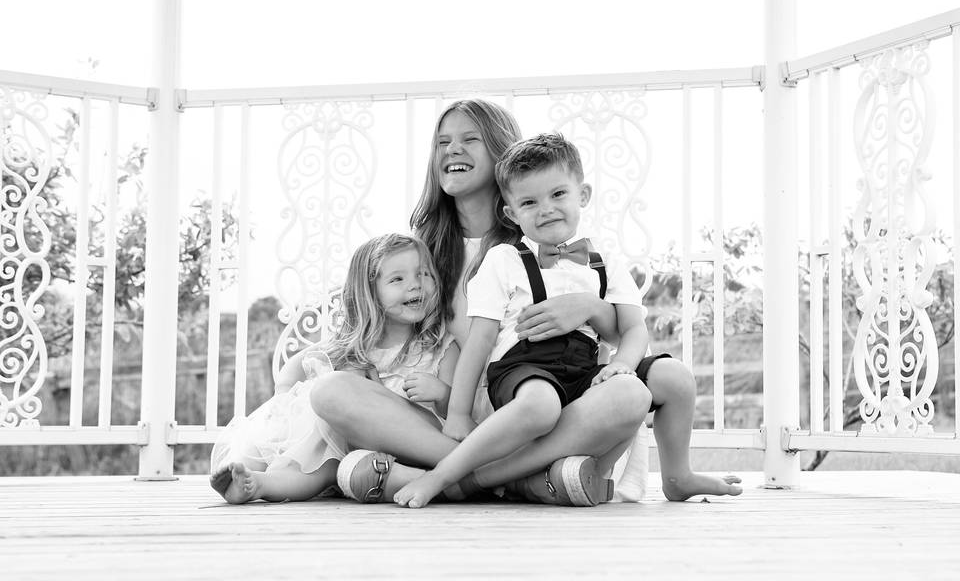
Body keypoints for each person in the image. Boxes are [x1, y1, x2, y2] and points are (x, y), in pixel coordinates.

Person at [393, 133, 743, 508]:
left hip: (583, 369)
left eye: (558, 195)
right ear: (511, 213)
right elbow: (480, 341)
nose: (546, 209)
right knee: (542, 404)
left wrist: (623, 365)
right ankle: (445, 475)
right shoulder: (504, 260)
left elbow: (632, 327)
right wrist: (459, 413)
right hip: (523, 368)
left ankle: (678, 476)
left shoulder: (602, 259)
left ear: (583, 195)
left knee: (673, 378)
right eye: (529, 202)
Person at [209, 233, 456, 504]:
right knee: (307, 441)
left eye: (424, 274)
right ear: (369, 292)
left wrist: (442, 394)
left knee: (325, 450)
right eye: (398, 279)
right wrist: (282, 400)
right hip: (346, 447)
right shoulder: (351, 345)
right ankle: (249, 477)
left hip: (409, 442)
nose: (415, 285)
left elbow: (455, 415)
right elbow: (295, 366)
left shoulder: (439, 348)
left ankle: (259, 482)